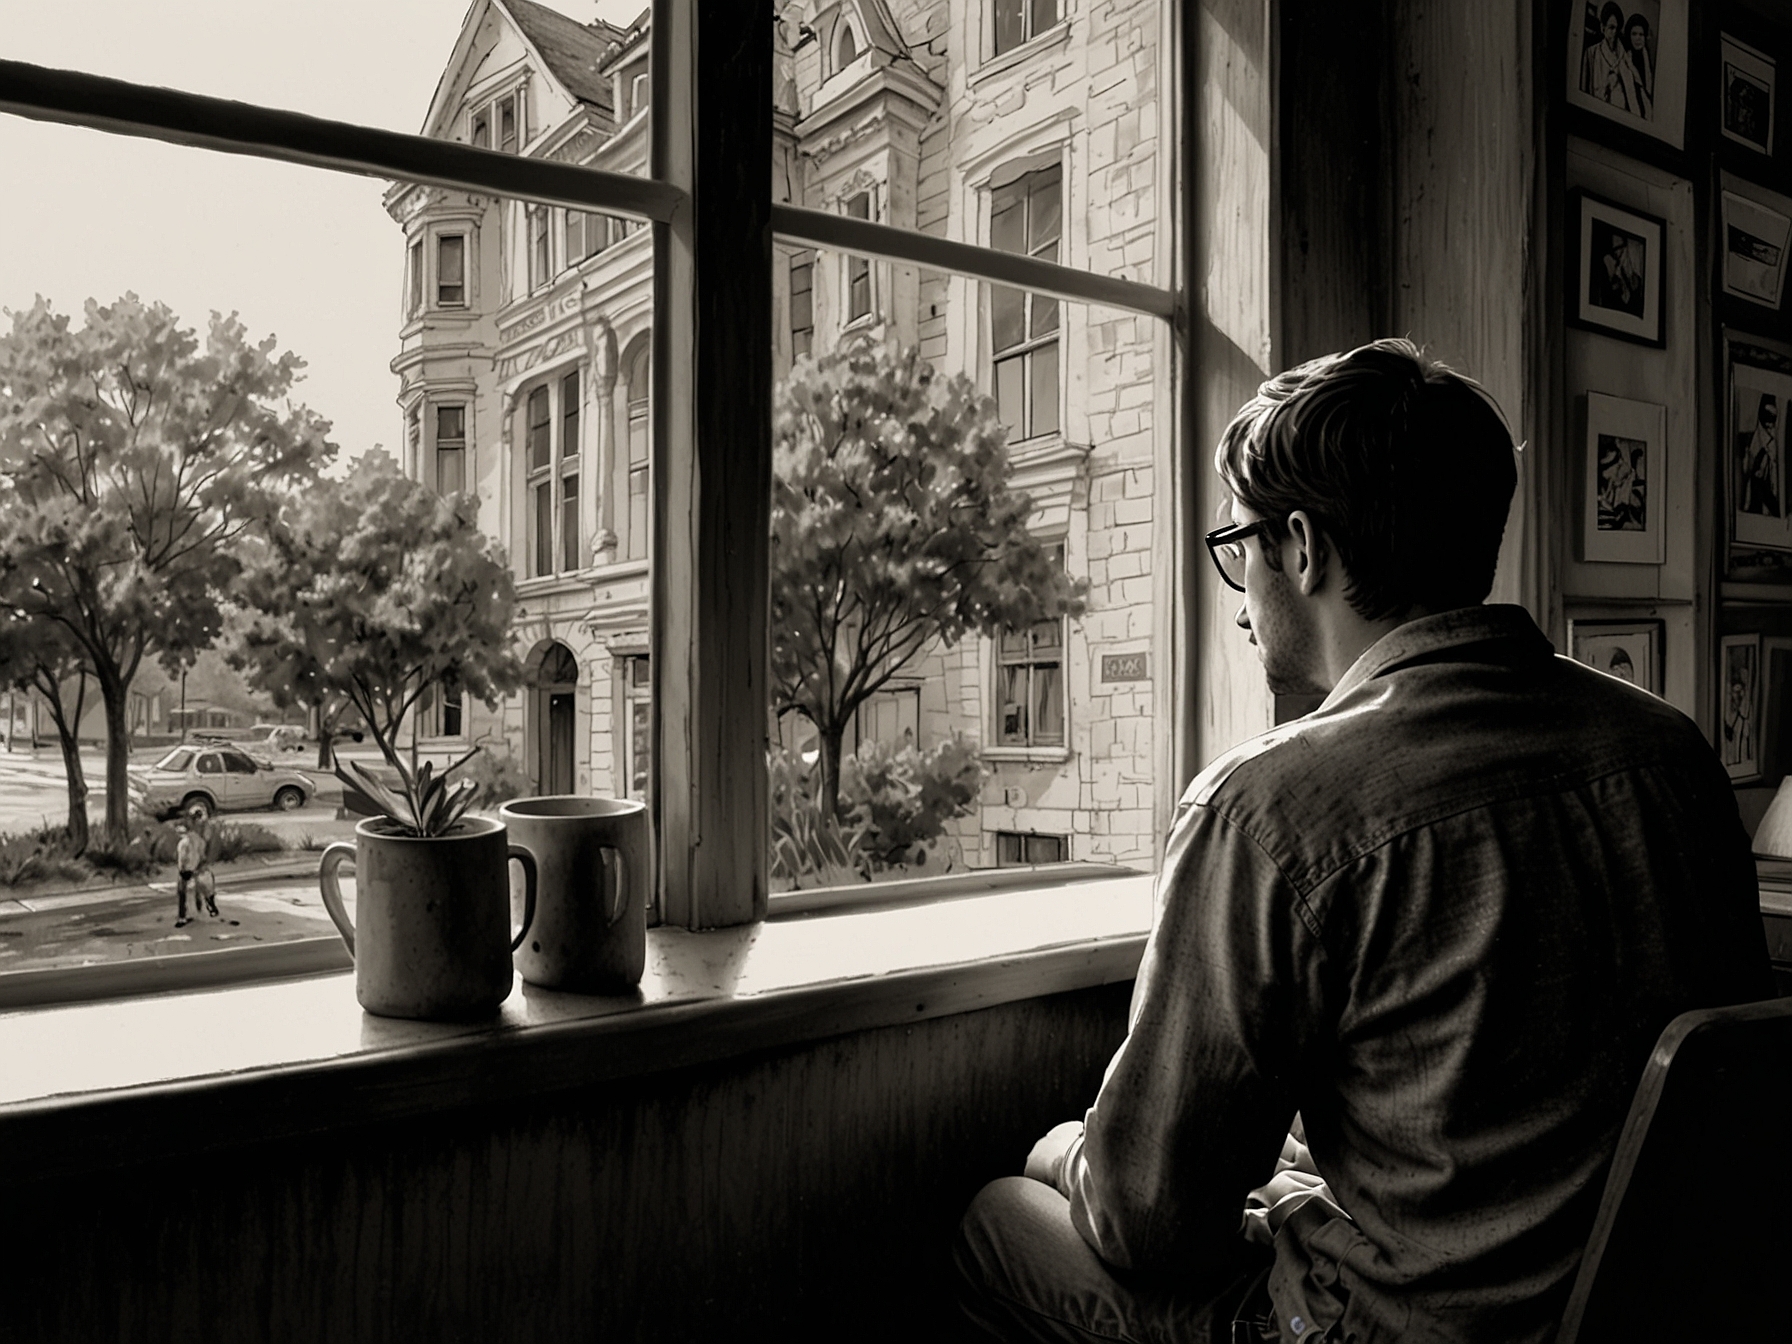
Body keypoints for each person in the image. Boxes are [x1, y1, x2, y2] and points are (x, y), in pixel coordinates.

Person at [954, 339, 1773, 1344]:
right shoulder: (1668, 752)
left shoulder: (1267, 808)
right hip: (1653, 1309)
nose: (1242, 585)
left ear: (1301, 547)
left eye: (1239, 545)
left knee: (1001, 1220)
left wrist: (1067, 1153)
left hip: (1395, 1329)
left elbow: (1148, 1224)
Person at [1580, 3, 1639, 114]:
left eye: (1617, 28)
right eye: (1611, 28)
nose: (1614, 32)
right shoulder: (1591, 53)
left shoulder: (1625, 57)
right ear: (1603, 28)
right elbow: (1584, 91)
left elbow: (1632, 95)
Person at [174, 818, 217, 927]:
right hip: (197, 867)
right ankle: (207, 906)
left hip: (186, 869)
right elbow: (203, 855)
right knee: (204, 886)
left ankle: (182, 916)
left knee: (182, 891)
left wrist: (182, 869)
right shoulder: (200, 840)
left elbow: (182, 859)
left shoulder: (183, 843)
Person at [1624, 13, 1654, 120]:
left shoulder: (1648, 61)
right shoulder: (1625, 60)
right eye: (1634, 34)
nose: (1638, 38)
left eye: (1641, 34)